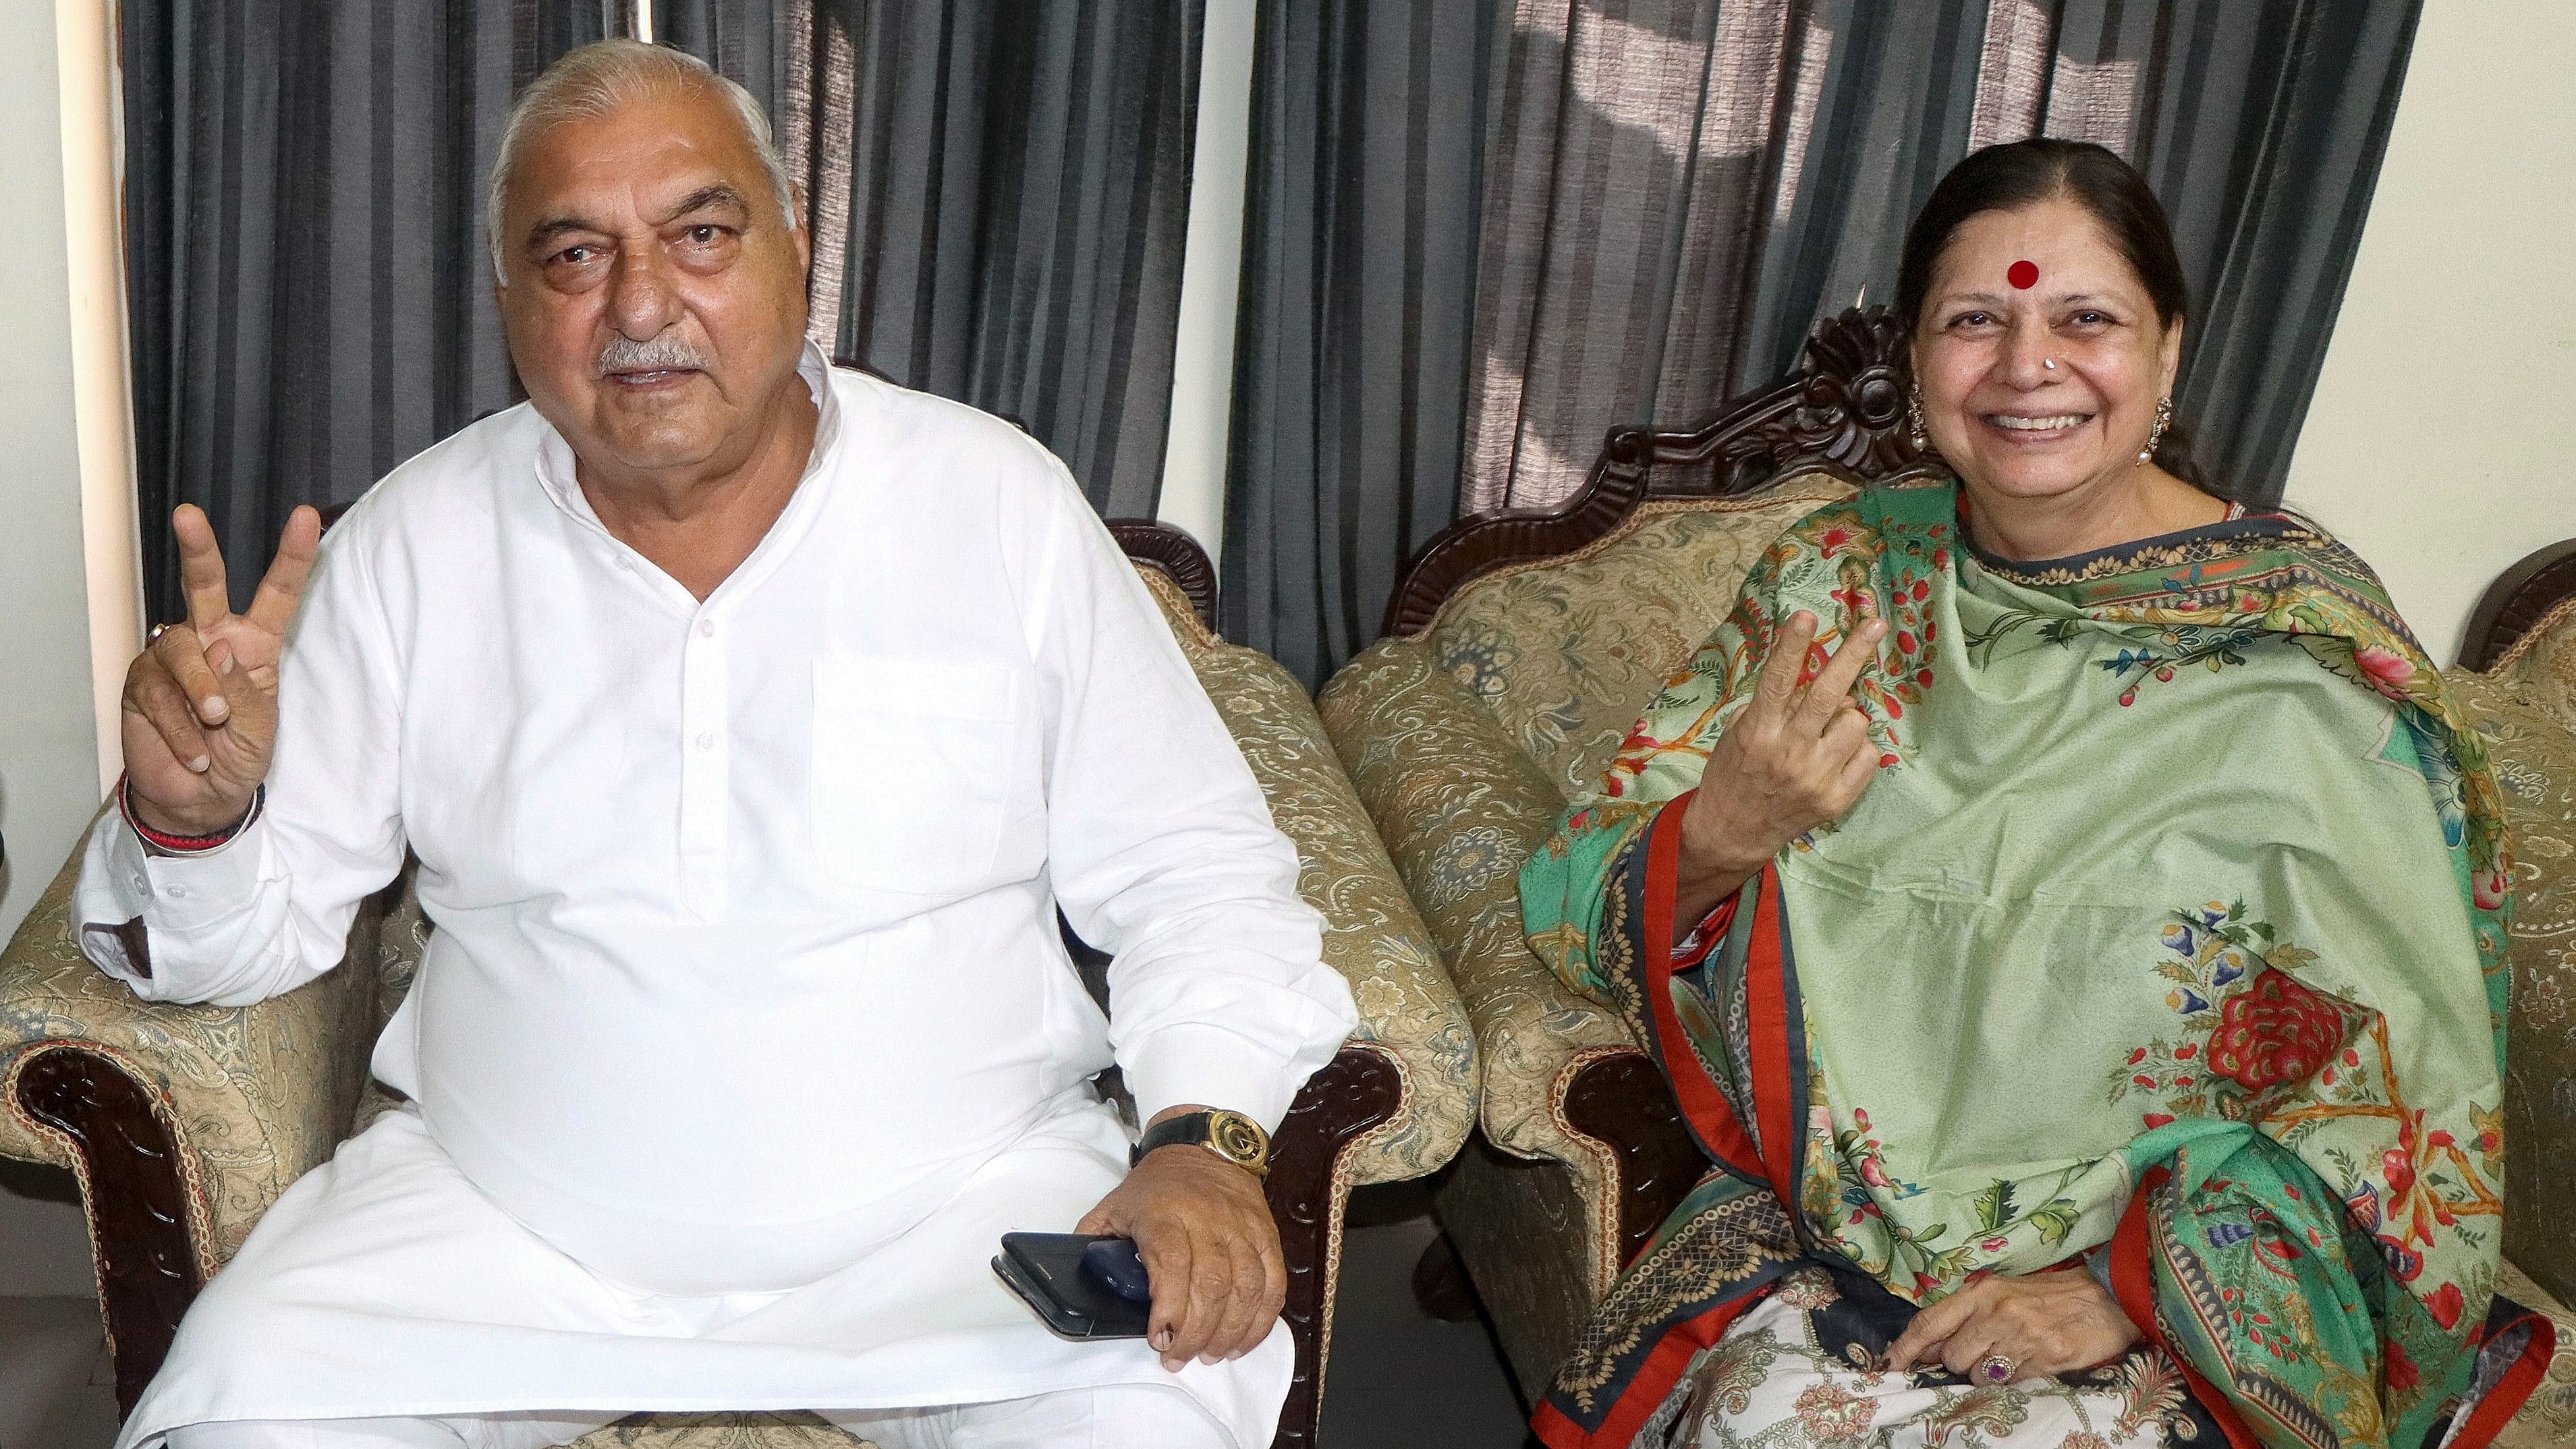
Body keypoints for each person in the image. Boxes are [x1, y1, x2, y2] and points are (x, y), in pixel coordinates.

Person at [79, 39, 1354, 1449]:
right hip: (501, 1243)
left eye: (698, 234)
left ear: (794, 252)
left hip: (967, 1227)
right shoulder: (413, 545)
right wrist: (191, 819)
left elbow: (1201, 873)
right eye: (573, 255)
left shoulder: (992, 503)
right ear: (507, 299)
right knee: (247, 1426)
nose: (641, 305)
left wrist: (1200, 1142)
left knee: (1150, 1425)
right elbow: (238, 946)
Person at [1517, 138, 2552, 1449]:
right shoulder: (1838, 584)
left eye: (2085, 320)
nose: (2025, 367)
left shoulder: (2293, 655)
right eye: (1974, 321)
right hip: (1838, 1230)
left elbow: (2398, 1080)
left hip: (2186, 1292)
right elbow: (1567, 891)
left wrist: (2123, 1292)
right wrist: (1722, 833)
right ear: (1913, 360)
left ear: (2167, 354)